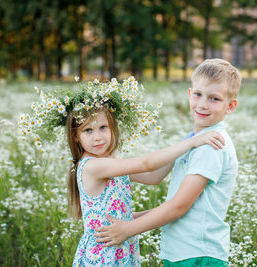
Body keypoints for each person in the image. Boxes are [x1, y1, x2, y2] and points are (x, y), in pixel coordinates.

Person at [19, 77, 225, 267]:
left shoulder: (109, 161)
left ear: (112, 128)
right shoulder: (92, 166)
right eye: (88, 131)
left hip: (121, 247)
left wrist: (185, 148)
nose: (98, 137)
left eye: (102, 127)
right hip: (103, 255)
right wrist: (191, 142)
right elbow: (146, 164)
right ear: (75, 137)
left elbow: (153, 177)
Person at [94, 59, 241, 267]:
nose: (203, 104)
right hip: (183, 252)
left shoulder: (211, 146)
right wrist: (101, 166)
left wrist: (127, 229)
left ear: (230, 106)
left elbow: (179, 206)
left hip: (198, 255)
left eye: (214, 98)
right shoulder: (194, 140)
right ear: (189, 95)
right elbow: (153, 177)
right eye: (198, 94)